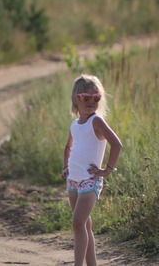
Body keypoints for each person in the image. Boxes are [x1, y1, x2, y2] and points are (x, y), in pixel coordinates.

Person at [62, 74, 122, 266]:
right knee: (84, 226)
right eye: (84, 97)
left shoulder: (96, 121)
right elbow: (68, 148)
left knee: (78, 223)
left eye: (95, 98)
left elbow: (116, 144)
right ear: (75, 99)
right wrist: (66, 167)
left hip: (90, 180)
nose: (90, 101)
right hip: (73, 180)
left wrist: (107, 170)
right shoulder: (74, 125)